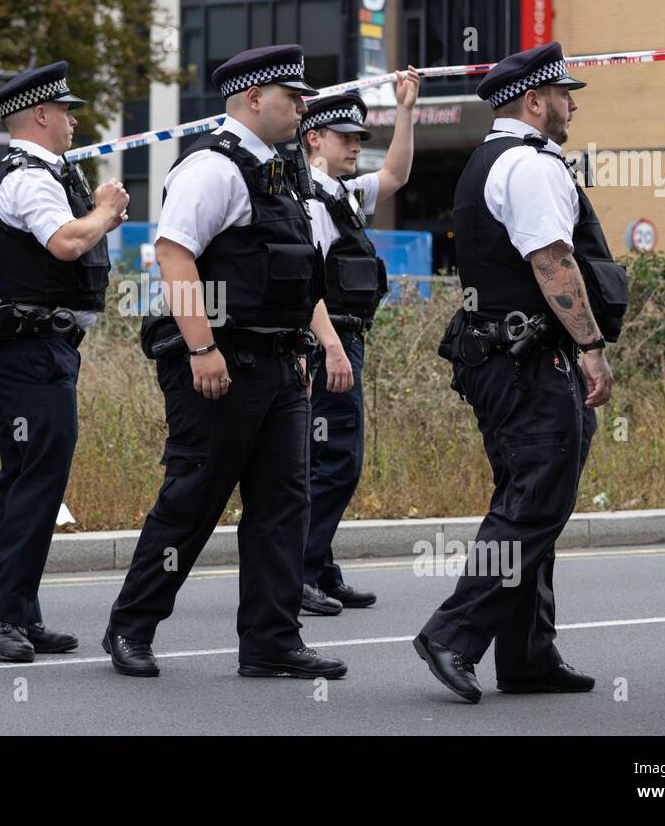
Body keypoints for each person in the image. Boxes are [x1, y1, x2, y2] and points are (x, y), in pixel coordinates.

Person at [104, 44, 349, 680]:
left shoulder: (284, 174)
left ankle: (272, 641)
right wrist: (202, 348)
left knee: (282, 506)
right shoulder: (212, 169)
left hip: (278, 364)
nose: (302, 107)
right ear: (251, 99)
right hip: (220, 362)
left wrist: (311, 344)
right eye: (292, 98)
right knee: (192, 501)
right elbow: (174, 254)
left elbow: (299, 278)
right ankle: (131, 627)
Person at [419, 40, 629, 703]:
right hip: (529, 359)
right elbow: (552, 262)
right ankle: (454, 633)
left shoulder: (488, 159)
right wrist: (592, 344)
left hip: (501, 357)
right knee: (537, 499)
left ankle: (529, 652)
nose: (572, 103)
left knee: (529, 497)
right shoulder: (532, 165)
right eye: (564, 94)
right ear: (534, 101)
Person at [0, 61, 129, 662]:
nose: (72, 121)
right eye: (66, 111)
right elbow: (65, 243)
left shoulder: (46, 174)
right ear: (41, 114)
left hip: (44, 348)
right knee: (35, 484)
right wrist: (106, 211)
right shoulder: (28, 178)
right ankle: (0, 618)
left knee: (27, 482)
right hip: (33, 349)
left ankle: (20, 611)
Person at [298, 70, 420, 617]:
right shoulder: (311, 202)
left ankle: (319, 567)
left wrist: (406, 110)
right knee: (333, 461)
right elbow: (304, 287)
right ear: (313, 140)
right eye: (344, 137)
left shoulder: (341, 195)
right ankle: (299, 572)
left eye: (357, 138)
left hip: (345, 340)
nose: (354, 146)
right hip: (330, 343)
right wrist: (331, 348)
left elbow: (395, 174)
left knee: (328, 457)